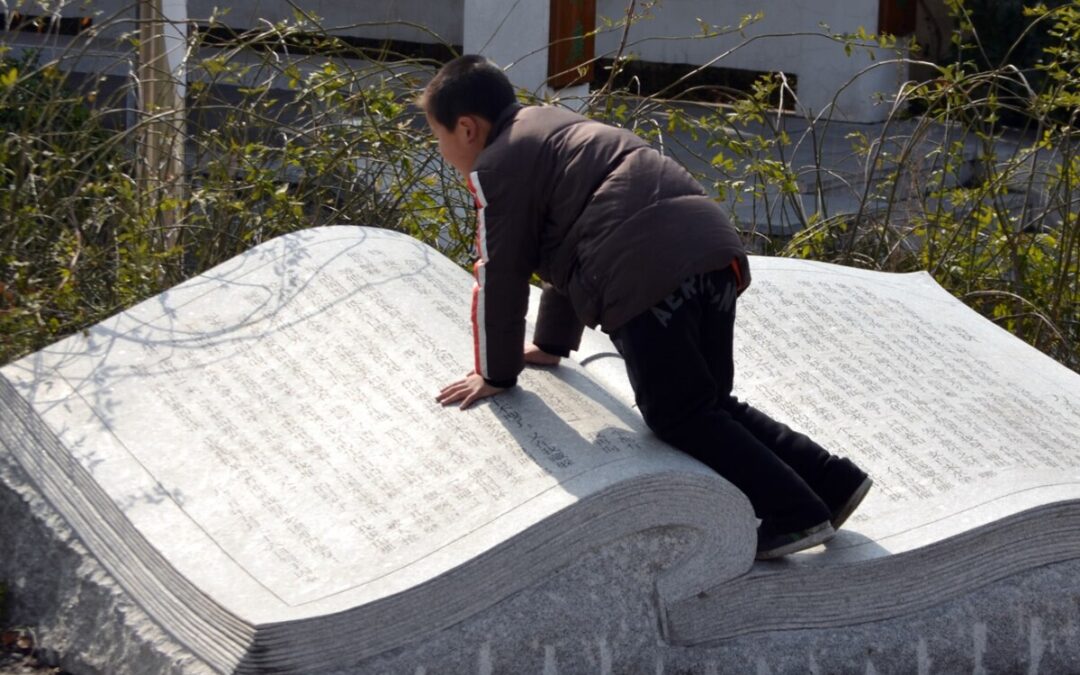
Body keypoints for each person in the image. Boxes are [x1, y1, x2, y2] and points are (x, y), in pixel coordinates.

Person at [425, 54, 872, 559]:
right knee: (708, 404)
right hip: (713, 251)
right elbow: (563, 249)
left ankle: (794, 513)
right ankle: (832, 481)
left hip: (645, 265)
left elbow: (501, 271)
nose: (441, 150)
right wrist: (550, 344)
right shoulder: (554, 127)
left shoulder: (499, 163)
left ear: (467, 128)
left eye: (438, 136)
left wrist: (496, 373)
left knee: (678, 413)